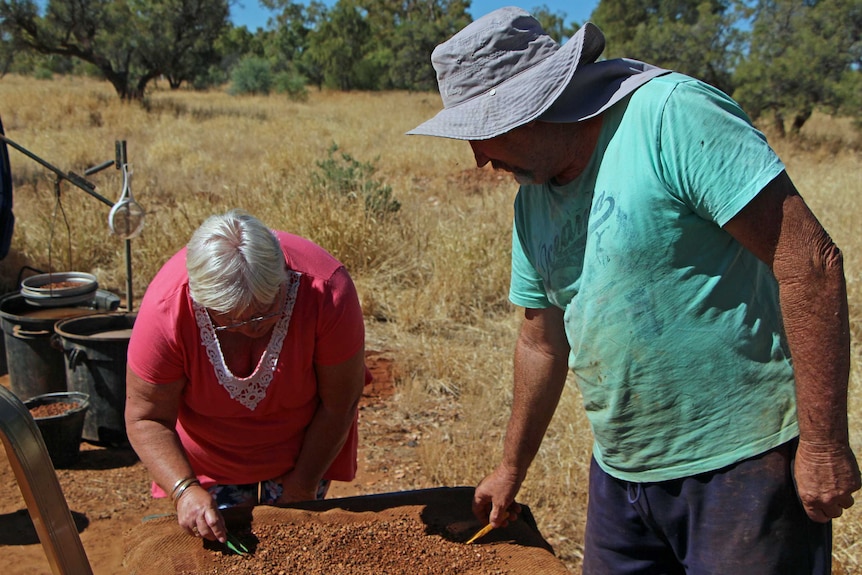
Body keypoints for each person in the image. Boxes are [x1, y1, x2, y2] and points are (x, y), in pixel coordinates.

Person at [408, 7, 861, 574]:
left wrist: (823, 446)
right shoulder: (533, 201)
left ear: (537, 102)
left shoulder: (668, 116)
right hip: (622, 476)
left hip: (743, 465)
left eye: (484, 132)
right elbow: (540, 341)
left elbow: (810, 263)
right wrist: (510, 468)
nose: (479, 159)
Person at [125, 209, 369, 544]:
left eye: (269, 309)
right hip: (206, 460)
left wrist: (302, 484)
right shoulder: (167, 307)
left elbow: (340, 403)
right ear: (203, 304)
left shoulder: (325, 289)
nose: (254, 327)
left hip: (303, 453)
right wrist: (185, 490)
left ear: (284, 279)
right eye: (235, 321)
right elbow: (146, 416)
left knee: (295, 547)